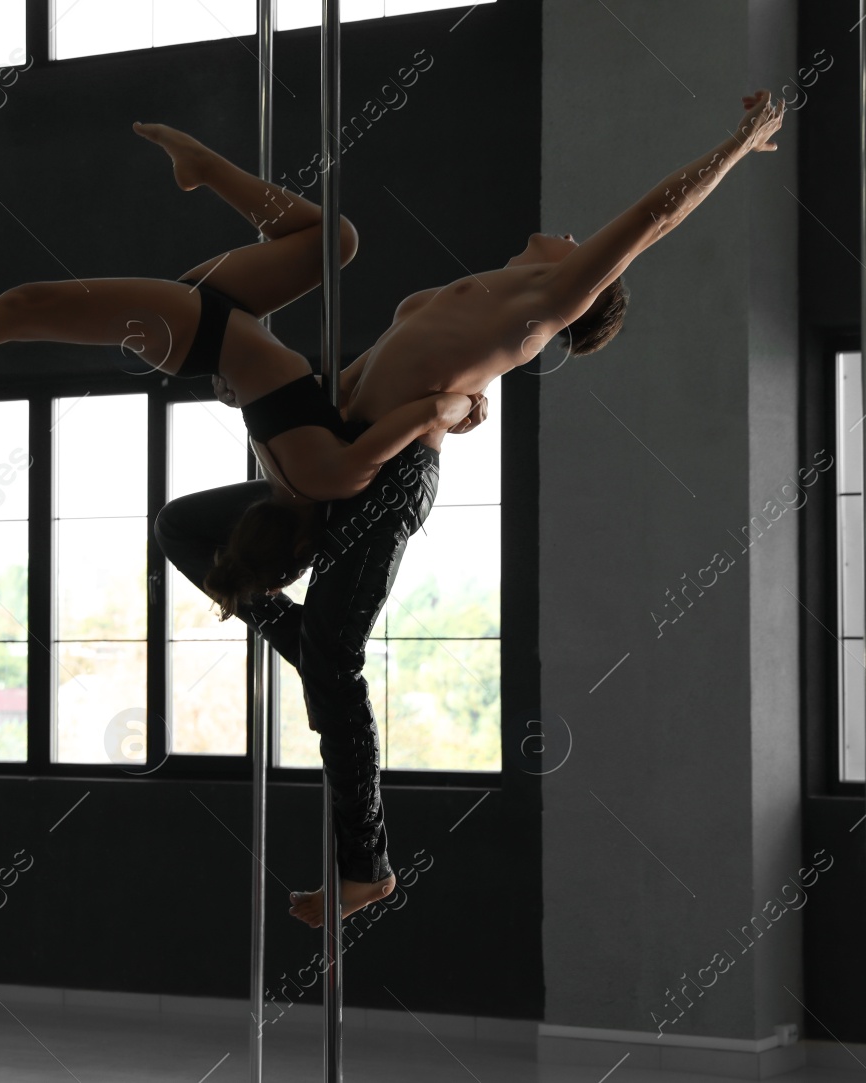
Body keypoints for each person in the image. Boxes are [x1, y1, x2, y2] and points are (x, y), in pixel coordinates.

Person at [161, 89, 789, 928]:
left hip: (387, 481)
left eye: (580, 250)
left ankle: (366, 867)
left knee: (335, 657)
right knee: (183, 527)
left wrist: (738, 144)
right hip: (335, 458)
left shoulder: (538, 305)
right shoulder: (493, 287)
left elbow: (654, 219)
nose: (569, 234)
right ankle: (307, 649)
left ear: (582, 286)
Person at [0, 122, 477, 606]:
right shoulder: (308, 469)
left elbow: (423, 416)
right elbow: (370, 399)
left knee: (25, 307)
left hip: (197, 330)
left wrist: (462, 408)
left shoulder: (322, 474)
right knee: (335, 238)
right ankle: (201, 168)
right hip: (219, 319)